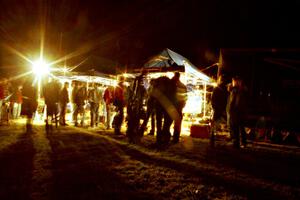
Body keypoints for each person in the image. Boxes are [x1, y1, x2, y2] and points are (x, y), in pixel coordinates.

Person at [227, 76, 248, 148]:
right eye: (233, 81)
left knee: (238, 127)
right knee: (237, 127)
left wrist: (233, 110)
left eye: (234, 81)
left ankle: (238, 142)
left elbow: (236, 102)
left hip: (238, 112)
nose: (233, 83)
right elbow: (231, 101)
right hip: (236, 112)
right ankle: (239, 142)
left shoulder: (240, 90)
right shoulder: (235, 90)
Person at [210, 75, 228, 146]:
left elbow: (212, 100)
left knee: (215, 127)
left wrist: (214, 108)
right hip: (223, 111)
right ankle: (221, 142)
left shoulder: (216, 89)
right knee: (222, 127)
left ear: (220, 80)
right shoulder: (226, 90)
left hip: (217, 110)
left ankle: (213, 140)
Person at [171, 72, 187, 143]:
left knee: (176, 123)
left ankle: (175, 138)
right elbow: (185, 98)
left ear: (176, 77)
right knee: (177, 123)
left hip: (176, 107)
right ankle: (176, 137)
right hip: (179, 107)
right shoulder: (183, 86)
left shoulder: (175, 86)